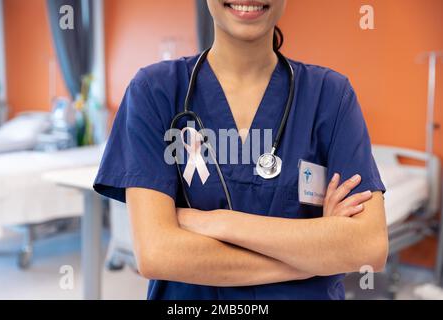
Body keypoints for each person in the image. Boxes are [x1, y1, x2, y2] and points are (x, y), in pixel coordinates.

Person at [94, 0, 388, 300]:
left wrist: (219, 222)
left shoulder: (330, 96)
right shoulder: (155, 91)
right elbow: (157, 253)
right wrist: (313, 258)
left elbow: (369, 247)